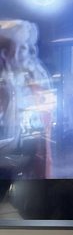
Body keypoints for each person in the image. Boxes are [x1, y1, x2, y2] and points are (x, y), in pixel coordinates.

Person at [0, 20, 55, 178]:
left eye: (27, 46)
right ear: (5, 53)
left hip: (28, 168)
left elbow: (43, 135)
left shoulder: (36, 86)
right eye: (22, 47)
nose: (29, 52)